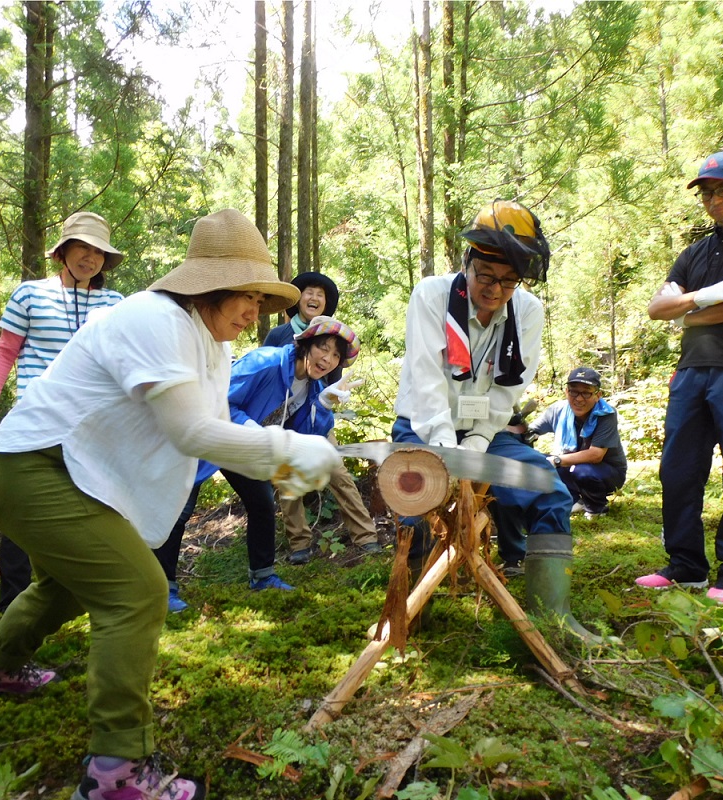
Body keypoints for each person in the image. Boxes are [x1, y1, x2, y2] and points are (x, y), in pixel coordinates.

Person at [0, 209, 341, 800]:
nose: (255, 313)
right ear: (209, 285)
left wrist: (286, 454)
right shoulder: (155, 320)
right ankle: (118, 774)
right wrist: (290, 454)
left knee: (65, 583)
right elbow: (193, 433)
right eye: (247, 296)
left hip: (73, 474)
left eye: (262, 301)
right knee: (137, 592)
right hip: (32, 468)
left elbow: (211, 428)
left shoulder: (207, 342)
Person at [392, 199, 594, 638]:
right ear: (468, 261)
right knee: (414, 505)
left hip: (485, 434)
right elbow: (426, 382)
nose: (495, 290)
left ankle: (553, 617)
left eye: (508, 281)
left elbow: (508, 390)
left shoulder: (527, 312)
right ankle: (411, 618)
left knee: (550, 492)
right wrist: (448, 448)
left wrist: (479, 442)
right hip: (422, 428)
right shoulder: (432, 297)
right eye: (486, 275)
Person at [153, 316, 378, 608]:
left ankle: (262, 576)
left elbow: (302, 438)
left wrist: (322, 404)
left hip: (245, 448)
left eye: (336, 355)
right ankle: (163, 588)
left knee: (262, 505)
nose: (328, 358)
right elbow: (220, 400)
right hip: (208, 438)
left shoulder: (310, 387)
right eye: (323, 347)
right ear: (306, 344)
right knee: (180, 510)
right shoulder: (267, 362)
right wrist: (253, 431)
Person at [0, 212, 125, 612]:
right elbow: (5, 353)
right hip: (35, 420)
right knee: (24, 513)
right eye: (82, 248)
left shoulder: (115, 303)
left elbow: (122, 363)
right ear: (63, 252)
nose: (90, 258)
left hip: (92, 424)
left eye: (98, 251)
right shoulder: (30, 295)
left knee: (87, 509)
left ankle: (72, 600)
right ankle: (12, 608)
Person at [636, 150, 723, 603]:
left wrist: (687, 311)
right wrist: (704, 299)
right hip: (690, 374)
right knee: (677, 469)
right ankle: (685, 565)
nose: (714, 199)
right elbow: (657, 308)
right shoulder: (695, 252)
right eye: (707, 191)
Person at [262, 272, 380, 565]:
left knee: (338, 473)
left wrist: (328, 403)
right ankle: (299, 543)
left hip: (317, 418)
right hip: (282, 423)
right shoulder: (278, 335)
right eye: (308, 292)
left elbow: (332, 385)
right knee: (287, 479)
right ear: (298, 298)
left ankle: (366, 537)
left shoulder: (334, 338)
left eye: (320, 295)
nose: (313, 298)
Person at [526, 366, 627, 520]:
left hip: (607, 472)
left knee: (582, 471)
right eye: (574, 391)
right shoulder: (558, 410)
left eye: (586, 392)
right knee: (537, 460)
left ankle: (596, 507)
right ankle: (573, 499)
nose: (579, 399)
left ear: (597, 395)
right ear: (567, 392)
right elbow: (530, 432)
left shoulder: (606, 414)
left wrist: (557, 460)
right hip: (571, 465)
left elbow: (596, 455)